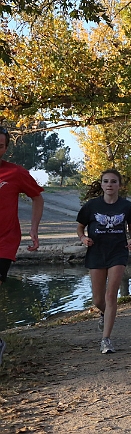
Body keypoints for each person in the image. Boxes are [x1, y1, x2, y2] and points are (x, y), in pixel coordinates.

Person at [76, 169, 131, 354]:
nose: (109, 184)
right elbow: (80, 227)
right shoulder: (91, 206)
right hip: (96, 252)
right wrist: (83, 238)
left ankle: (106, 339)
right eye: (106, 181)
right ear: (101, 185)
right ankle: (104, 313)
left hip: (118, 253)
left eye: (113, 181)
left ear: (119, 185)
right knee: (98, 299)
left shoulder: (126, 206)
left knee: (111, 296)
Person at [0, 126, 44, 366]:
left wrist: (33, 229)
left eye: (0, 146)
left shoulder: (15, 173)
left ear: (5, 148)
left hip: (4, 242)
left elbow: (37, 196)